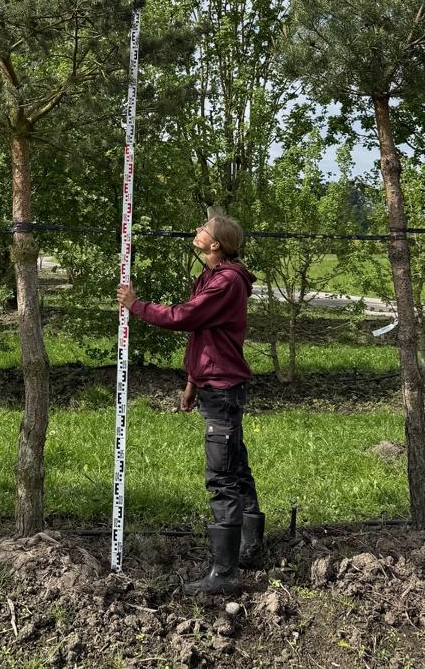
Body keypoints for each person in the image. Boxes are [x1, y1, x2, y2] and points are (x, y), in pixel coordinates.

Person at [116, 212, 265, 596]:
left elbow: (185, 317)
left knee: (222, 476)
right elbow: (203, 334)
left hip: (224, 387)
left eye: (204, 229)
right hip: (213, 382)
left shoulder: (226, 282)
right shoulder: (213, 277)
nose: (197, 232)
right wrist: (191, 383)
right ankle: (249, 547)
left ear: (216, 244)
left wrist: (136, 305)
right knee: (236, 465)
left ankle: (225, 573)